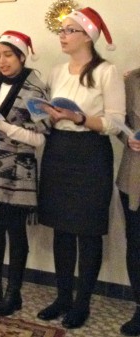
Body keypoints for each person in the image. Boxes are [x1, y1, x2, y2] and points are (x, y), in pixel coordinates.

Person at [36, 8, 125, 329]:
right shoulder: (58, 71)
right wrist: (46, 114)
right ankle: (62, 297)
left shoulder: (106, 71)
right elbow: (50, 114)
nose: (62, 36)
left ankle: (82, 302)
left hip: (90, 154)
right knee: (61, 227)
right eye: (61, 31)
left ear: (87, 36)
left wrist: (79, 118)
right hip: (59, 151)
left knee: (87, 231)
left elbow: (115, 123)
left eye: (69, 31)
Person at [0, 31, 48, 316]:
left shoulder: (35, 88)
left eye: (8, 55)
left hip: (17, 174)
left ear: (22, 56)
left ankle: (14, 294)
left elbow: (40, 137)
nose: (2, 61)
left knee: (15, 232)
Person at [117, 68, 140, 336]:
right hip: (133, 177)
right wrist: (128, 138)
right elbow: (118, 122)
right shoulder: (132, 81)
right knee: (136, 244)